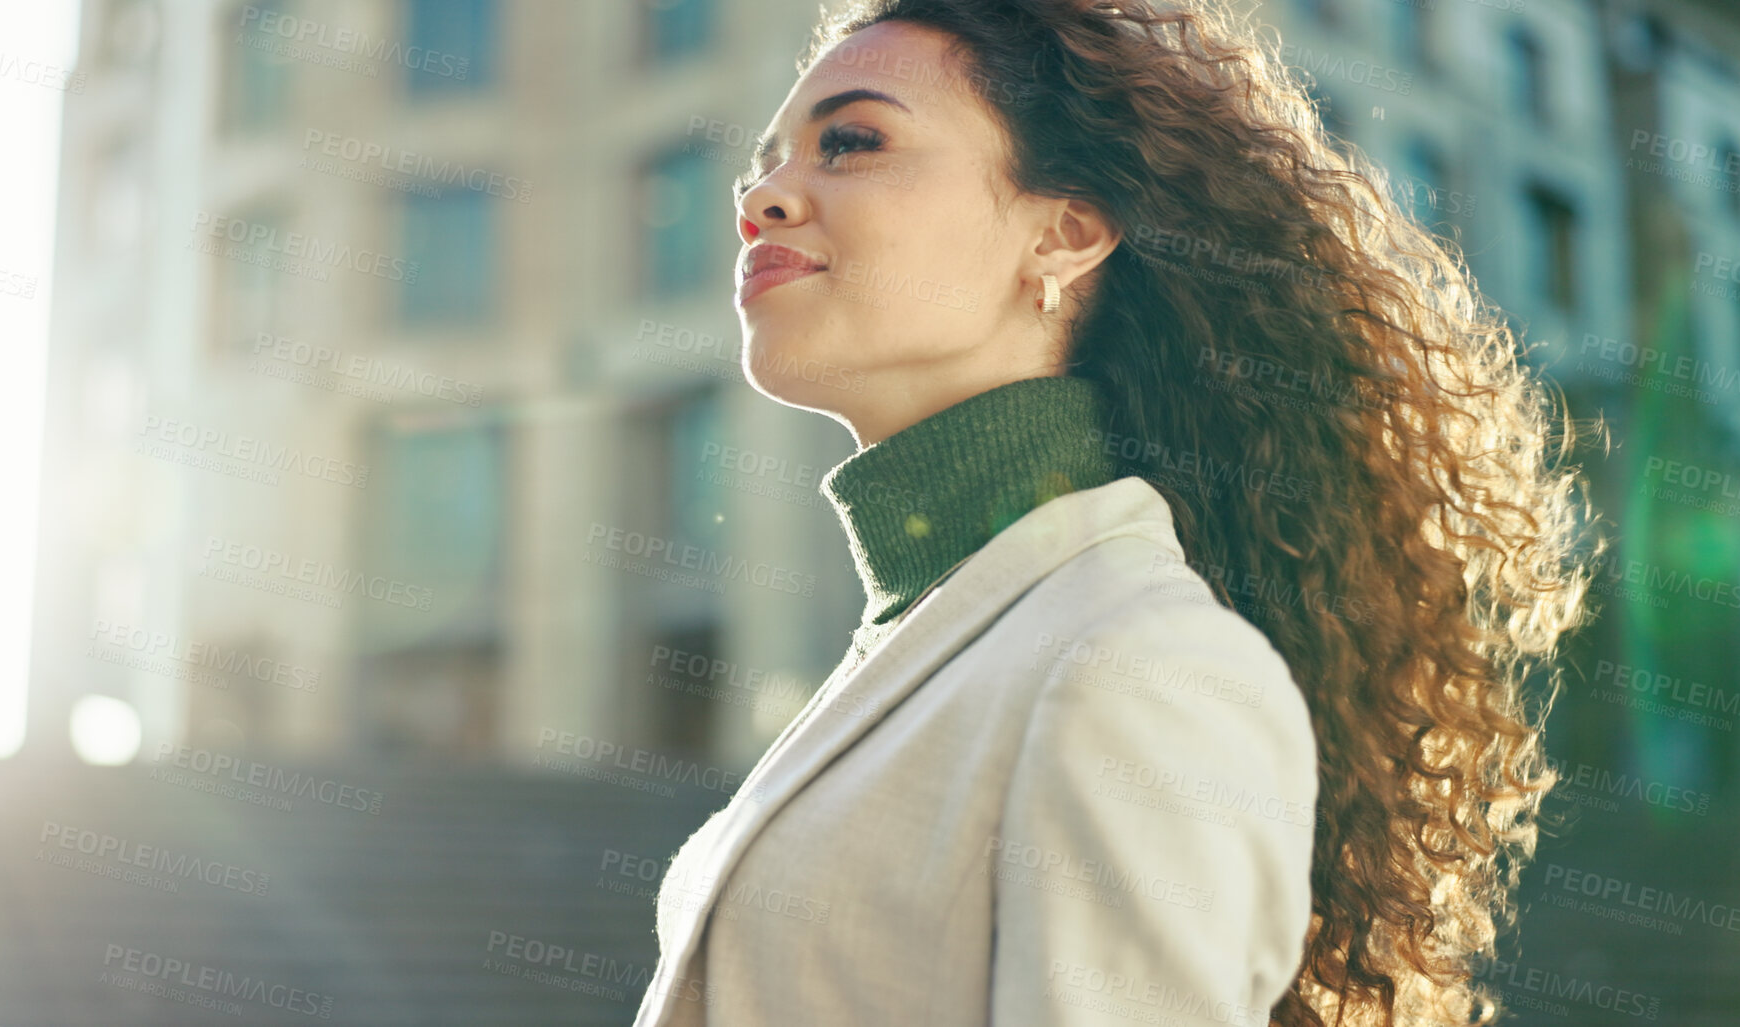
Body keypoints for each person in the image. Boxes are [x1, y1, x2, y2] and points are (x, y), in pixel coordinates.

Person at [633, 1, 1602, 1024]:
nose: (762, 198)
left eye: (852, 142)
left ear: (1063, 234)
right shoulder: (936, 622)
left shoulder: (1139, 667)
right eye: (766, 161)